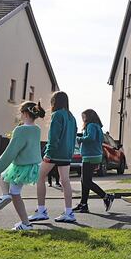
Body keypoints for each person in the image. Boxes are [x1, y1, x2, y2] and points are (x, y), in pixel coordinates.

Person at [0, 101, 44, 231]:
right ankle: (6, 196)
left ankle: (25, 223)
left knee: (14, 192)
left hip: (21, 166)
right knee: (3, 176)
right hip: (33, 165)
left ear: (25, 113)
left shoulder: (20, 129)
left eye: (21, 113)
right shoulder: (36, 129)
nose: (20, 115)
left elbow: (11, 151)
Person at [30, 91, 78, 223]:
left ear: (55, 102)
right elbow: (74, 136)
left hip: (55, 153)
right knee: (65, 181)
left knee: (39, 177)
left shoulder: (57, 115)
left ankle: (41, 211)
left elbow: (53, 137)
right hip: (67, 154)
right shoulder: (71, 116)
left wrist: (48, 154)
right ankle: (69, 212)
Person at [73, 109, 115, 214]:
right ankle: (83, 204)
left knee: (86, 181)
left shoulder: (91, 125)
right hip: (94, 155)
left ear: (89, 117)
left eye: (84, 117)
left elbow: (90, 138)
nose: (83, 119)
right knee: (84, 181)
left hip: (90, 156)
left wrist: (80, 139)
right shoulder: (97, 126)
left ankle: (106, 196)